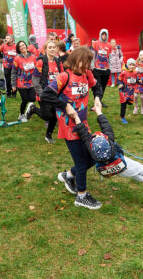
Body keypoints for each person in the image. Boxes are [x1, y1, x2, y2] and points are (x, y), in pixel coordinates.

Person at [40, 47, 103, 210]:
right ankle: (81, 196)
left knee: (93, 156)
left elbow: (97, 86)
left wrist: (97, 99)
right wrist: (65, 106)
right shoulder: (64, 76)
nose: (87, 65)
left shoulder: (87, 74)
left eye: (90, 62)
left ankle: (68, 175)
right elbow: (46, 95)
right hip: (69, 127)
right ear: (75, 59)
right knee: (82, 162)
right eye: (85, 61)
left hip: (83, 124)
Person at [74, 105, 143, 195]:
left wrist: (75, 117)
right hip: (121, 164)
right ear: (107, 140)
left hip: (109, 171)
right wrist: (98, 111)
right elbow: (105, 125)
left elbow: (83, 133)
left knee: (130, 172)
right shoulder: (110, 140)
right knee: (140, 168)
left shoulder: (91, 148)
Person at [26, 40, 64, 143]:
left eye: (54, 47)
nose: (52, 49)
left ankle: (48, 135)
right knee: (47, 116)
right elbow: (35, 80)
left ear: (56, 49)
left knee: (54, 116)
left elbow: (62, 77)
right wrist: (41, 93)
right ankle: (33, 109)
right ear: (45, 49)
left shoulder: (58, 61)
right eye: (50, 47)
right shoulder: (41, 62)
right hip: (44, 93)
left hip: (55, 94)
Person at [11, 40, 37, 122]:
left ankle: (29, 111)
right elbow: (14, 72)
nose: (22, 47)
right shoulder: (17, 59)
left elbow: (37, 69)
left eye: (23, 45)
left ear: (26, 46)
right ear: (19, 49)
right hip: (21, 83)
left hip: (32, 82)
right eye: (20, 46)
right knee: (25, 100)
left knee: (32, 98)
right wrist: (13, 85)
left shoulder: (33, 57)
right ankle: (21, 114)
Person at [92, 29, 113, 107]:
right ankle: (96, 102)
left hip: (106, 69)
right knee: (97, 85)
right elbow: (93, 55)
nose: (104, 36)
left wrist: (110, 68)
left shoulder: (109, 45)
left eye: (105, 35)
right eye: (102, 34)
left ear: (107, 35)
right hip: (97, 69)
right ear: (100, 35)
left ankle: (99, 101)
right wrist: (92, 66)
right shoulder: (95, 43)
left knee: (103, 86)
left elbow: (110, 57)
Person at [118, 58, 138, 124]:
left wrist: (138, 81)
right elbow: (119, 78)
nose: (131, 66)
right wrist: (120, 83)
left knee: (130, 102)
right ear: (127, 65)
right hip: (123, 90)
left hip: (130, 90)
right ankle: (122, 117)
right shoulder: (124, 72)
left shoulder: (135, 72)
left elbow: (135, 79)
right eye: (130, 65)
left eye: (133, 65)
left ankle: (127, 101)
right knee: (123, 104)